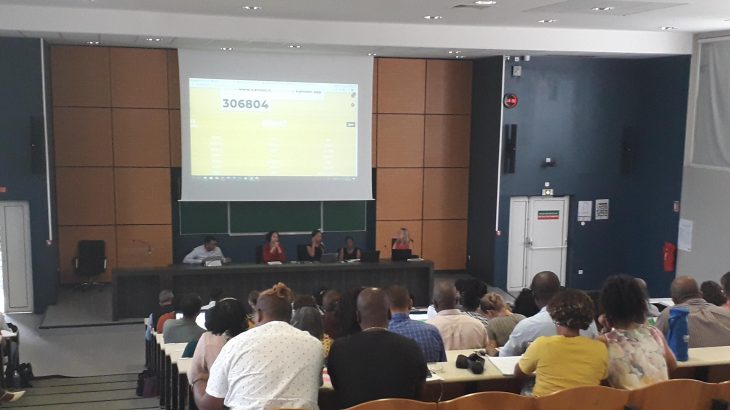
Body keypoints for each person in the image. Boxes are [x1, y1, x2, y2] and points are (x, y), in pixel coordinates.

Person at [195, 283, 323, 410]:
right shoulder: (314, 344)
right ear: (290, 316)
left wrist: (197, 381)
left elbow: (209, 406)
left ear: (259, 314)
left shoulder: (236, 344)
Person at [328, 288, 429, 409]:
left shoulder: (338, 349)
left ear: (358, 316)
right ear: (389, 314)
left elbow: (337, 389)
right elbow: (420, 394)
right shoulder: (411, 347)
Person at [515, 289, 608, 397]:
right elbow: (603, 378)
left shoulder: (542, 344)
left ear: (554, 314)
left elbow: (519, 373)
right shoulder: (600, 349)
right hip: (585, 404)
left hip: (545, 404)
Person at [598, 275, 676, 390]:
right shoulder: (654, 333)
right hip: (662, 398)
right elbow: (672, 364)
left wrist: (605, 330)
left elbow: (597, 376)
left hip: (629, 400)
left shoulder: (604, 342)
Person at [501, 271, 598, 357]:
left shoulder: (527, 326)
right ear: (560, 291)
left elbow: (505, 356)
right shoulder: (586, 319)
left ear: (534, 295)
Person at [188, 298, 248, 389]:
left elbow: (193, 376)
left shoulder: (208, 339)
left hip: (216, 392)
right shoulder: (250, 339)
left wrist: (206, 377)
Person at [655, 276, 730, 347]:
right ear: (701, 294)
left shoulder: (669, 315)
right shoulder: (725, 314)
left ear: (674, 300)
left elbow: (654, 344)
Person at [387, 285, 447, 362]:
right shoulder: (432, 332)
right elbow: (443, 365)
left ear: (385, 307)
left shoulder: (382, 336)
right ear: (411, 303)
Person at [426, 283, 489, 350]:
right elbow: (487, 352)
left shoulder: (427, 329)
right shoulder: (478, 325)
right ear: (457, 301)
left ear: (435, 303)